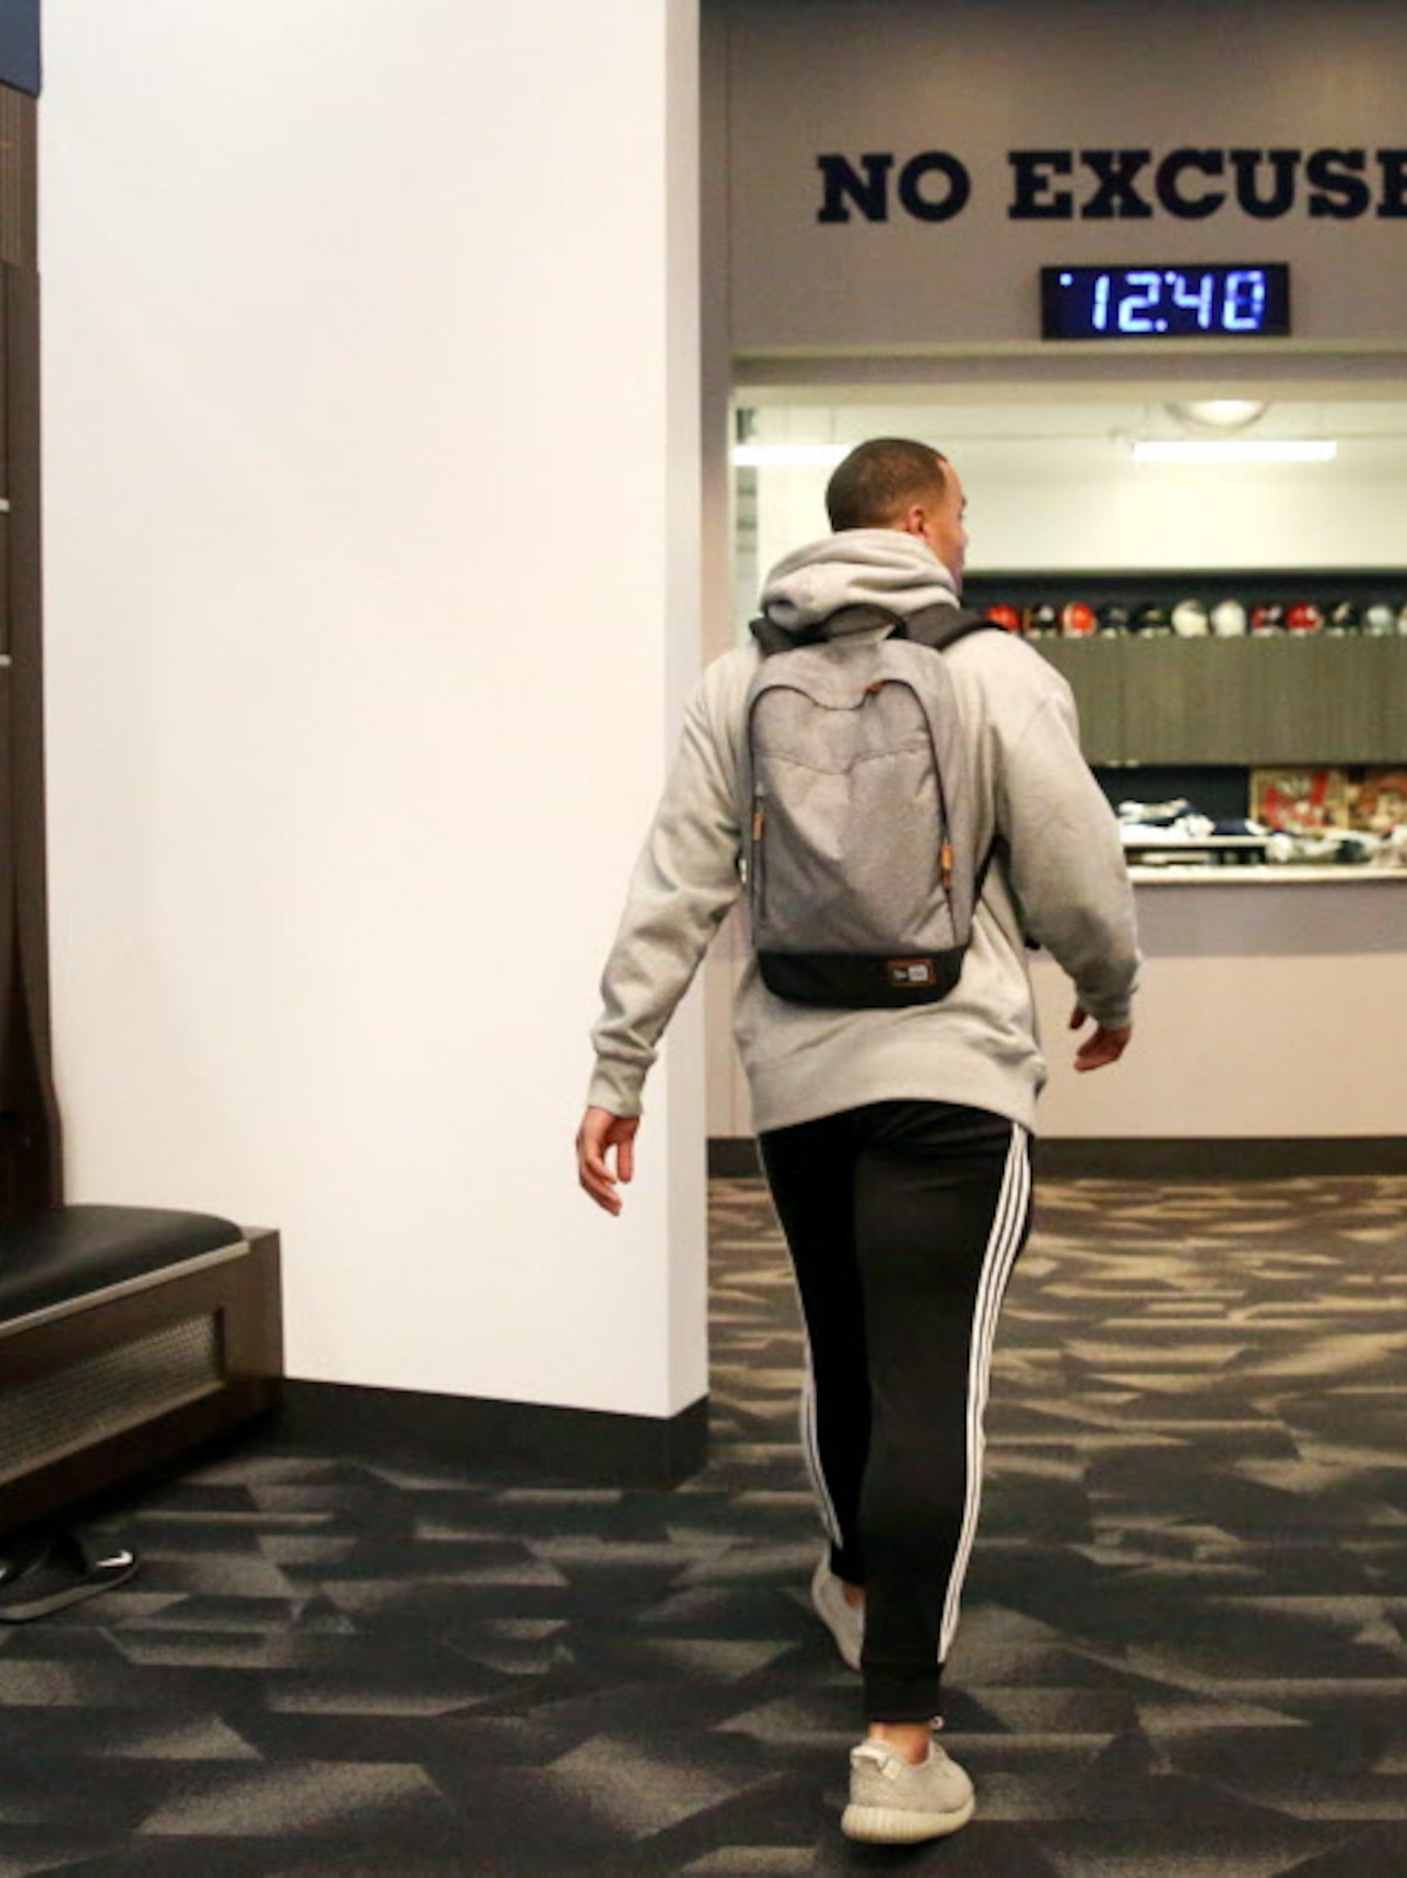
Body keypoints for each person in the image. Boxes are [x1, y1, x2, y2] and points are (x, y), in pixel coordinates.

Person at [575, 438, 1141, 1844]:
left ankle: (852, 1579)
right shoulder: (995, 668)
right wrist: (1113, 986)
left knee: (842, 1343)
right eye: (960, 513)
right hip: (954, 1074)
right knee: (929, 1377)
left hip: (798, 1082)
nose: (966, 535)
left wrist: (617, 1068)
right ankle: (899, 1741)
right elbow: (1077, 862)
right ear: (917, 521)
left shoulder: (734, 679)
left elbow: (677, 881)